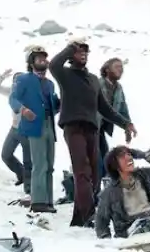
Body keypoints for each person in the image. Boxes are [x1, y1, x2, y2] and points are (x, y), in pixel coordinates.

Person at [49, 40, 137, 227]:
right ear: (71, 56)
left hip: (92, 129)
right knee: (82, 172)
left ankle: (79, 218)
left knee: (95, 175)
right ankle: (89, 215)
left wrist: (125, 123)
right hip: (73, 127)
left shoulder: (93, 80)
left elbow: (105, 108)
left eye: (85, 51)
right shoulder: (65, 74)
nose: (83, 53)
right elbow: (53, 65)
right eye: (78, 51)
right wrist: (70, 48)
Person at [9, 46, 60, 213]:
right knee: (39, 164)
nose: (43, 61)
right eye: (39, 59)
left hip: (49, 124)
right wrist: (23, 110)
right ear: (31, 62)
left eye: (45, 58)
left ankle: (48, 201)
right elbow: (13, 98)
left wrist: (61, 103)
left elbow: (53, 105)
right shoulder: (24, 79)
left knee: (50, 165)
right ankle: (38, 201)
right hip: (34, 125)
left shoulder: (50, 84)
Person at [94, 145, 150, 238]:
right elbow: (101, 222)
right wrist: (107, 240)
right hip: (131, 231)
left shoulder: (144, 176)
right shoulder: (109, 193)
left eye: (129, 154)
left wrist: (143, 155)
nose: (129, 158)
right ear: (114, 165)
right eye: (122, 156)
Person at [0, 65, 31, 195]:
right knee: (6, 155)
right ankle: (21, 174)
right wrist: (2, 76)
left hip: (27, 131)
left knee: (28, 160)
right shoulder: (11, 92)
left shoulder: (30, 93)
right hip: (14, 129)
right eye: (15, 81)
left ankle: (29, 188)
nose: (16, 84)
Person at [97, 57, 132, 183]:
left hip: (101, 128)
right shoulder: (97, 84)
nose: (120, 69)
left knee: (104, 156)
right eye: (117, 66)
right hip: (91, 126)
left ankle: (104, 183)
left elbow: (123, 108)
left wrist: (128, 126)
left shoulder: (118, 88)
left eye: (121, 67)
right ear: (107, 69)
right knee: (97, 157)